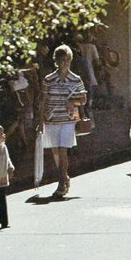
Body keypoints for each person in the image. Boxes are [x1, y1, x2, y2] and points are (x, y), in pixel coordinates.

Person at [38, 45, 87, 198]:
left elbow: (83, 99)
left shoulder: (75, 79)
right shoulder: (48, 79)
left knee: (62, 149)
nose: (65, 63)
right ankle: (64, 176)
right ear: (56, 61)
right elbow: (43, 100)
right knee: (55, 150)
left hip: (68, 118)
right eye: (62, 60)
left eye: (67, 60)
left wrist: (73, 101)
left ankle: (61, 183)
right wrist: (40, 121)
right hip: (52, 118)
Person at [75, 33, 99, 116]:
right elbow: (97, 61)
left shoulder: (80, 47)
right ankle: (88, 111)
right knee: (89, 93)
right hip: (88, 71)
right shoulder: (92, 47)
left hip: (81, 74)